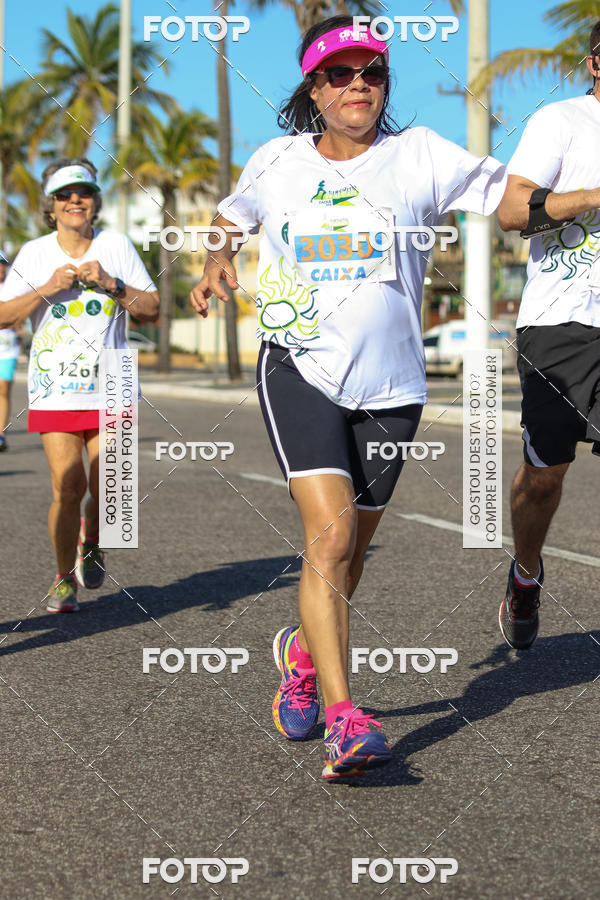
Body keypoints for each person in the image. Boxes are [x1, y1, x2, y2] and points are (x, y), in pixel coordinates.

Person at [191, 15, 506, 780]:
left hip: (394, 386)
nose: (358, 84)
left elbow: (516, 197)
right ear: (313, 87)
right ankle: (345, 717)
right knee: (329, 539)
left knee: (350, 552)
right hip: (298, 366)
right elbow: (229, 220)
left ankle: (300, 654)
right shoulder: (278, 162)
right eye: (341, 73)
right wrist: (214, 261)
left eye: (372, 72)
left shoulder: (418, 155)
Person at [0, 158, 159, 612]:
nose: (75, 201)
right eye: (65, 195)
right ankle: (63, 575)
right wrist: (45, 288)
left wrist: (110, 282)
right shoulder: (34, 253)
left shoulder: (116, 245)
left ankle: (93, 541)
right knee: (67, 488)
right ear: (50, 207)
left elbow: (151, 308)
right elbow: (3, 316)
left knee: (109, 490)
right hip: (56, 388)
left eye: (83, 193)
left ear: (95, 201)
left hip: (113, 384)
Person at [497, 21, 600, 651]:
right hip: (559, 324)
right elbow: (513, 212)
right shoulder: (561, 122)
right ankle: (526, 573)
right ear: (595, 62)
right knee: (545, 476)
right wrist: (590, 196)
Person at [0, 250, 18, 451]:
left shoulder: (13, 289)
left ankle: (1, 434)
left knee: (3, 387)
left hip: (7, 348)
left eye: (3, 263)